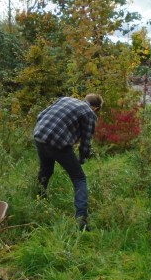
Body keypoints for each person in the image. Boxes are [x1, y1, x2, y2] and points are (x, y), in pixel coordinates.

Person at [33, 94, 103, 230]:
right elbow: (86, 143)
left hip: (39, 134)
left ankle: (39, 202)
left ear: (85, 100)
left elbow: (40, 115)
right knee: (79, 178)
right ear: (96, 108)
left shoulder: (65, 99)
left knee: (46, 170)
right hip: (58, 142)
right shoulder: (90, 114)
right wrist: (81, 159)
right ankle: (81, 219)